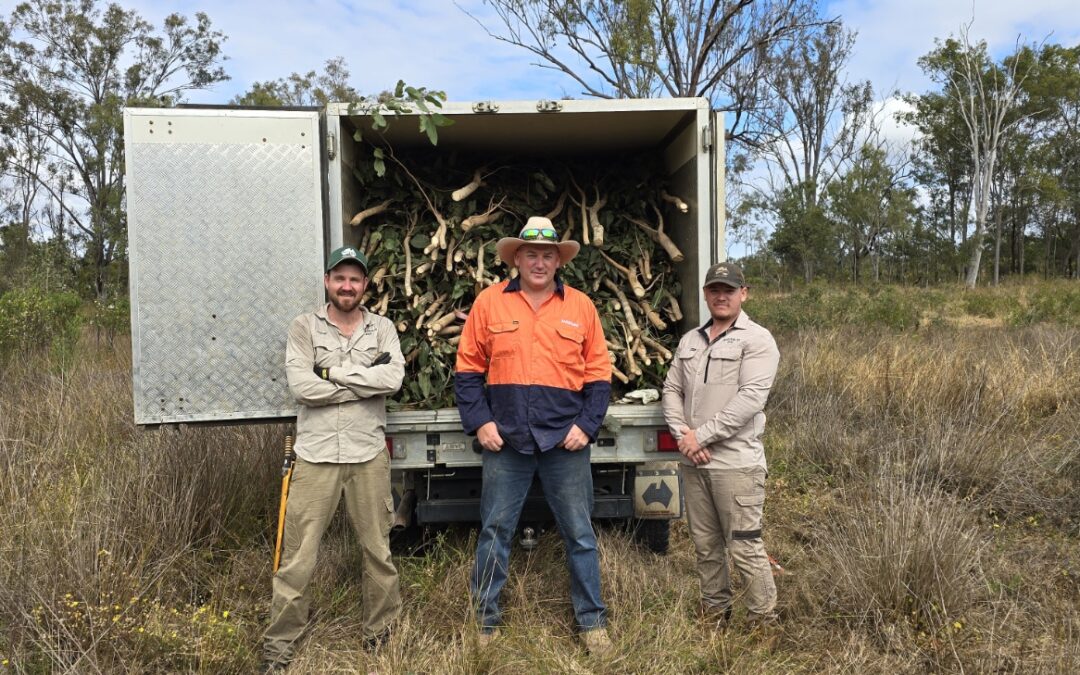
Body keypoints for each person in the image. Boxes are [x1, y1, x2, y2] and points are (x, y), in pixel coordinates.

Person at [454, 217, 614, 655]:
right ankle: (485, 623)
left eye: (547, 255)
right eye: (531, 255)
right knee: (495, 531)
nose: (539, 262)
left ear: (558, 261)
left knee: (579, 534)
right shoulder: (489, 303)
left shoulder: (581, 306)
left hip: (565, 441)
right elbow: (467, 369)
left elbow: (599, 375)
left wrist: (586, 426)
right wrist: (480, 422)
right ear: (517, 259)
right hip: (506, 441)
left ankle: (592, 624)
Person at [263, 245, 405, 671]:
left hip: (367, 455)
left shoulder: (383, 329)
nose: (347, 286)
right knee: (297, 557)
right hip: (315, 456)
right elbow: (302, 388)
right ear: (327, 281)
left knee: (378, 551)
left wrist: (332, 374)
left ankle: (381, 636)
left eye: (354, 279)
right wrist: (363, 384)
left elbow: (393, 378)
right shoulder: (304, 327)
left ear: (365, 285)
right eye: (339, 278)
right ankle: (280, 647)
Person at [661, 261, 779, 629]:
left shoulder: (757, 340)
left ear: (743, 293)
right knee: (706, 545)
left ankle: (763, 622)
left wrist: (701, 436)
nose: (721, 296)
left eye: (729, 290)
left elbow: (750, 399)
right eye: (715, 289)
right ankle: (715, 613)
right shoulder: (690, 340)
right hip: (695, 462)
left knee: (744, 545)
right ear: (705, 294)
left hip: (736, 464)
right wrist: (684, 435)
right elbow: (671, 389)